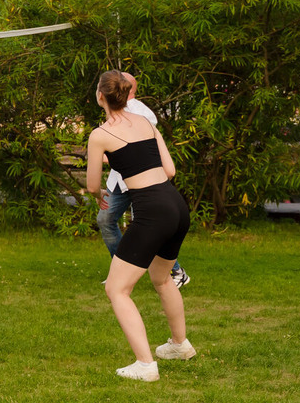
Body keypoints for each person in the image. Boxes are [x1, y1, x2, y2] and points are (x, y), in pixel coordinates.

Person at [86, 70, 194, 382]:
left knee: (116, 288)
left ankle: (145, 365)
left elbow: (94, 185)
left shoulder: (100, 135)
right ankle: (179, 345)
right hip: (175, 204)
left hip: (152, 211)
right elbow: (170, 169)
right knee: (161, 279)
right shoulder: (146, 123)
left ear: (101, 97)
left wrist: (98, 194)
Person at [97, 73, 190, 289]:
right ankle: (121, 271)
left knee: (150, 231)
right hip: (119, 182)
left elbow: (158, 162)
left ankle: (176, 270)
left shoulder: (142, 115)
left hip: (145, 185)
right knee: (105, 219)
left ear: (129, 89)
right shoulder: (114, 115)